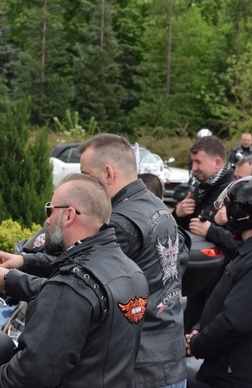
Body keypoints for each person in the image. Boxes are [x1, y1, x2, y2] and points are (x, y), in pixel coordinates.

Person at [0, 174, 149, 387]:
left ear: (69, 215)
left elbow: (31, 376)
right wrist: (22, 264)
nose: (47, 220)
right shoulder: (133, 272)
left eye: (50, 210)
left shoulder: (71, 286)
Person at [79, 134, 188, 388]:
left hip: (142, 367)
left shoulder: (121, 221)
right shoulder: (157, 206)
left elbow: (81, 280)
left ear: (107, 173)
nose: (83, 183)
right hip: (168, 357)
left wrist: (16, 277)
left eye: (86, 174)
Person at [186, 177, 252, 388]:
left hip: (241, 376)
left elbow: (236, 322)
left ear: (245, 213)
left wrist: (198, 344)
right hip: (235, 369)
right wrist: (200, 328)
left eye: (230, 206)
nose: (226, 211)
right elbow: (226, 301)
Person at [173, 135, 234, 332]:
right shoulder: (202, 187)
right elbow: (189, 229)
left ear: (217, 163)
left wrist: (211, 229)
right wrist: (179, 213)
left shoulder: (233, 192)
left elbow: (239, 243)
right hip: (199, 275)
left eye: (198, 162)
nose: (194, 168)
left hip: (220, 279)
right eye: (193, 162)